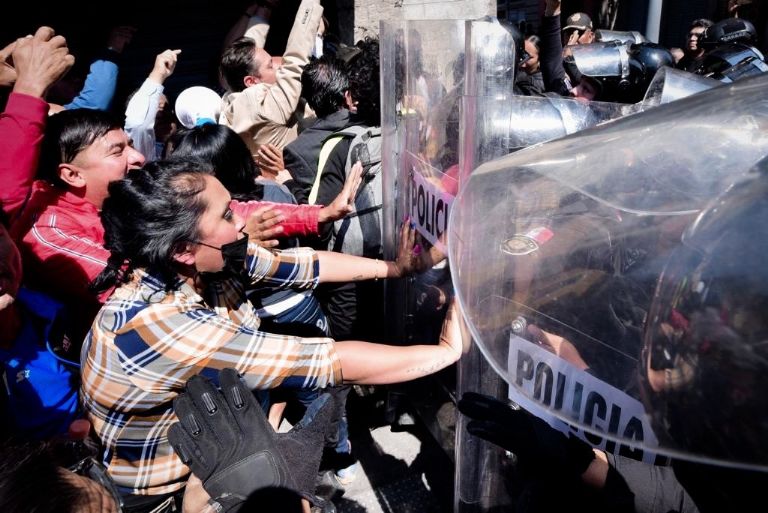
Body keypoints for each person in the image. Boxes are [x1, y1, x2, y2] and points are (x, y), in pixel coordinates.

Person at [80, 159, 466, 505]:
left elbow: (305, 265)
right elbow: (329, 360)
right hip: (172, 496)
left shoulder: (206, 256)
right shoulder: (162, 327)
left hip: (217, 450)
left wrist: (399, 268)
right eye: (227, 215)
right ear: (183, 249)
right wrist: (444, 353)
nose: (240, 224)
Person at [8, 107, 145, 347]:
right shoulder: (48, 233)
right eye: (117, 152)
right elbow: (139, 289)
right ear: (72, 175)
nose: (138, 157)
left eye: (130, 144)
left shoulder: (115, 200)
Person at [219, 0, 322, 157]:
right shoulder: (266, 110)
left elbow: (249, 55)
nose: (278, 66)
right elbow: (296, 58)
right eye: (270, 66)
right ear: (251, 81)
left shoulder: (232, 97)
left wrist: (264, 9)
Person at [283, 55, 354, 205]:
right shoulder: (372, 121)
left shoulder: (298, 151)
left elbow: (312, 209)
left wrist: (289, 183)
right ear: (347, 93)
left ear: (309, 102)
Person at [123, 48, 181, 161]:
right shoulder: (143, 155)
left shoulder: (189, 146)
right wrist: (158, 75)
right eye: (155, 113)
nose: (163, 116)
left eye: (167, 110)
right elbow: (138, 125)